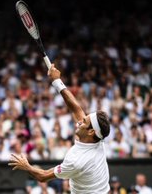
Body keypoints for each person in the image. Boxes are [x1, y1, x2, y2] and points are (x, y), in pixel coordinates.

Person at [9, 64, 111, 193]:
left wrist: (27, 166)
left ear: (91, 131)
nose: (80, 122)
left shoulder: (77, 161)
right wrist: (57, 81)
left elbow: (43, 176)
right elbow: (76, 108)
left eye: (84, 122)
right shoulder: (98, 138)